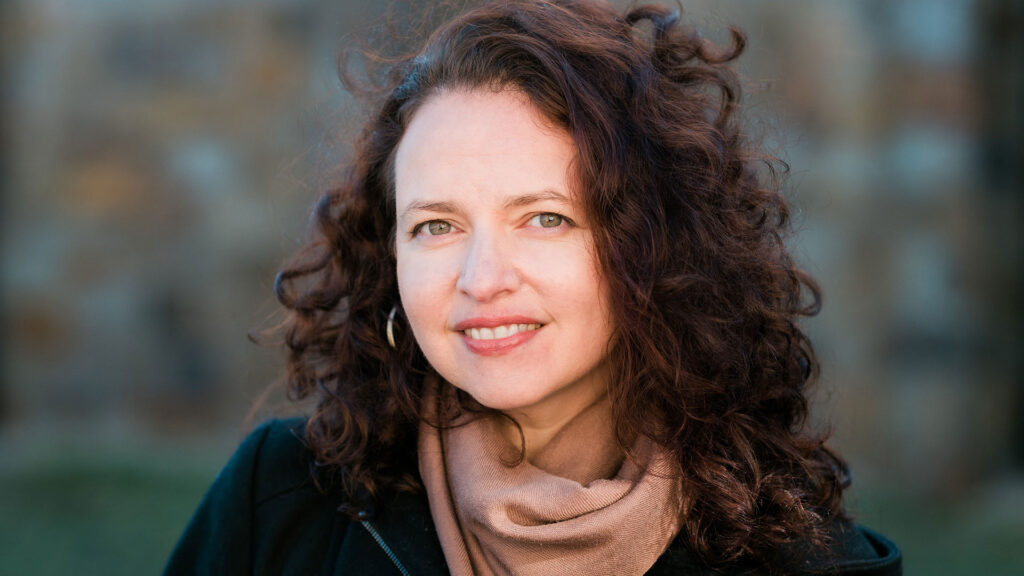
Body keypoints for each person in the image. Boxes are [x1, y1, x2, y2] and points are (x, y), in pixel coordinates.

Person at [165, 0, 902, 574]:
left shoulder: (795, 562)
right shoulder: (283, 503)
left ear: (653, 248)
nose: (482, 279)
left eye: (545, 218)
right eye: (436, 227)